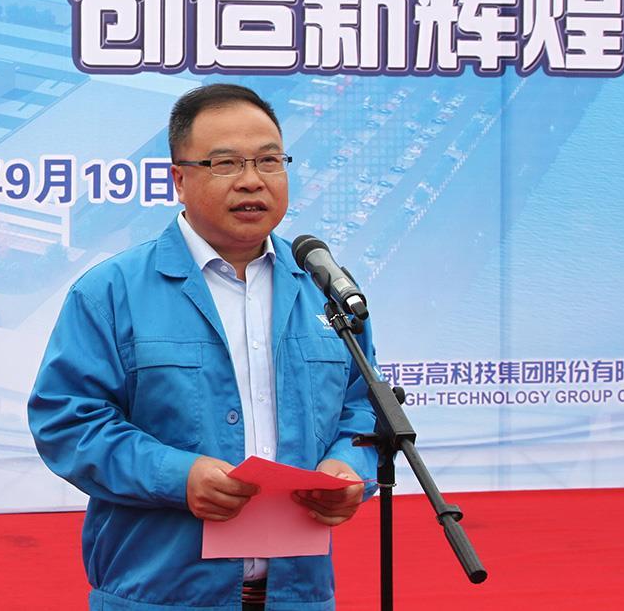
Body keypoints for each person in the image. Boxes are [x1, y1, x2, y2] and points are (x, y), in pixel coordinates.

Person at [28, 84, 377, 611]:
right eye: (225, 163)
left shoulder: (323, 287)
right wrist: (178, 476)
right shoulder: (113, 291)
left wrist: (348, 468)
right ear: (179, 180)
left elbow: (365, 409)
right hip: (159, 596)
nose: (252, 180)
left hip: (299, 595)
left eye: (269, 161)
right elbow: (68, 422)